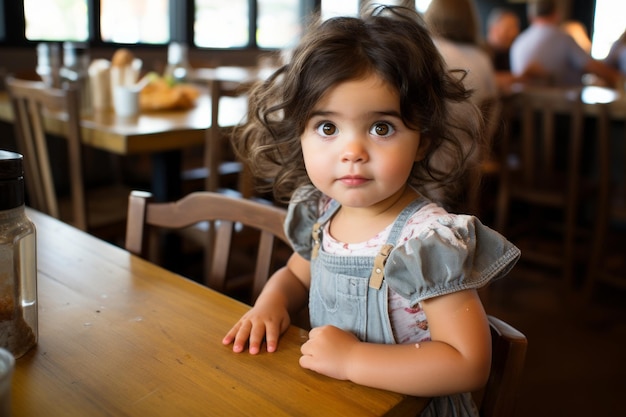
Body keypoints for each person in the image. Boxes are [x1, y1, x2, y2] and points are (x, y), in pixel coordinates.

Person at [222, 6, 521, 417]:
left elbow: (468, 364)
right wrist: (270, 303)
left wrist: (352, 360)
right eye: (328, 128)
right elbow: (296, 273)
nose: (352, 153)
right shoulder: (324, 212)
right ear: (301, 135)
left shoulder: (427, 240)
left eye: (381, 127)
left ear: (422, 140)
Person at [510, 0, 619, 87]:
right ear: (556, 14)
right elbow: (593, 67)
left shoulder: (518, 42)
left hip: (523, 112)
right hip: (563, 111)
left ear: (530, 16)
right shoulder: (564, 39)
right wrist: (618, 78)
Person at [485, 7, 520, 72]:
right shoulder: (482, 54)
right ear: (493, 29)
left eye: (516, 28)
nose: (513, 34)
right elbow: (487, 77)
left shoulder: (511, 51)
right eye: (508, 30)